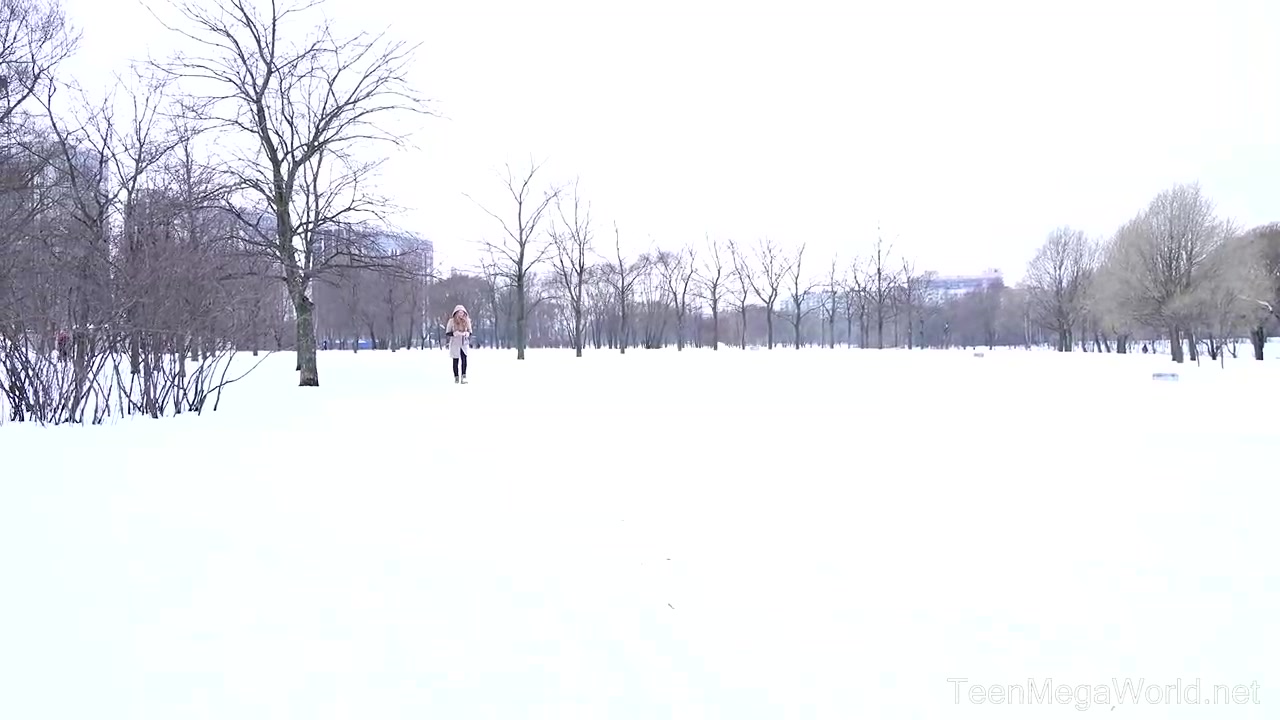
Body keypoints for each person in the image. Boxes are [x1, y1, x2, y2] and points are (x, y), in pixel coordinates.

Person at [445, 305, 472, 383]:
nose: (461, 314)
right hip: (455, 343)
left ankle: (464, 376)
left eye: (462, 312)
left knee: (464, 359)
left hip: (464, 343)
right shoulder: (451, 321)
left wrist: (467, 333)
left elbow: (470, 331)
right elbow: (447, 332)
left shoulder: (467, 320)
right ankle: (456, 376)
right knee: (455, 360)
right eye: (459, 312)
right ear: (456, 313)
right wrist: (454, 333)